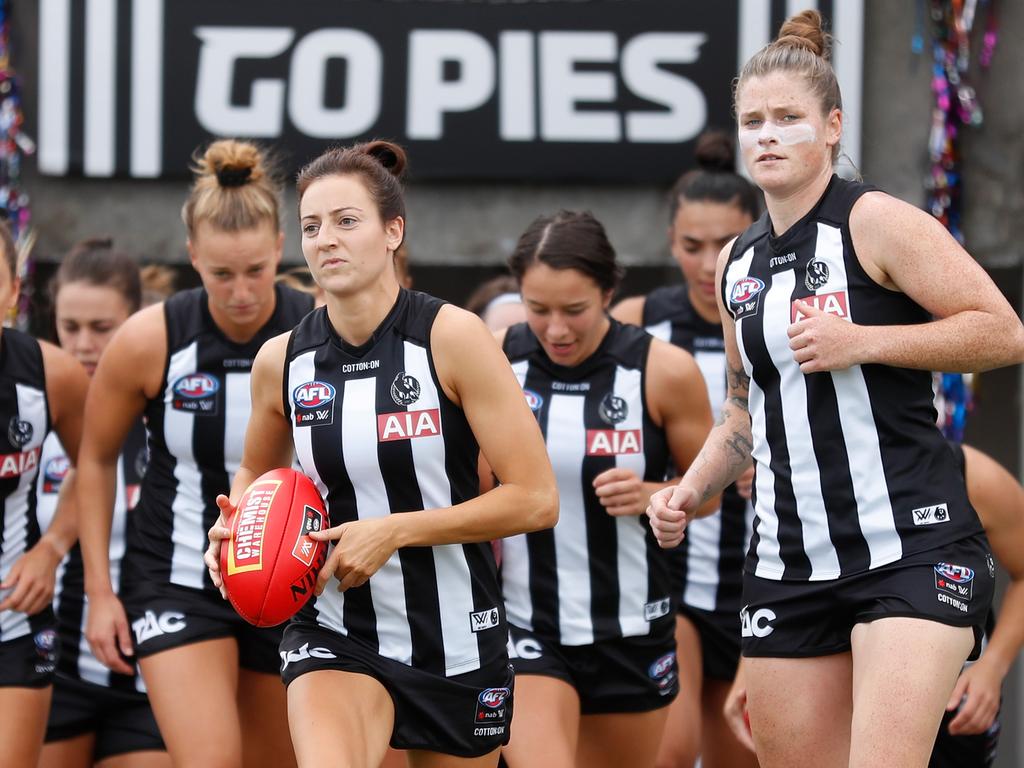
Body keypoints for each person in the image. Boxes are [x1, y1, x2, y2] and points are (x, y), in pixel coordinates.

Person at [647, 10, 1024, 768]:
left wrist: (867, 342)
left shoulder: (876, 221)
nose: (768, 135)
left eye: (788, 118)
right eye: (753, 121)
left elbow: (1003, 330)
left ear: (831, 127)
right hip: (789, 563)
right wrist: (687, 492)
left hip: (909, 544)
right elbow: (741, 415)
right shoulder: (736, 266)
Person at [203, 140, 558, 768]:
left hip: (455, 634)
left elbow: (535, 499)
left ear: (393, 231)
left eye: (346, 222)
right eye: (311, 227)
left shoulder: (453, 337)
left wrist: (394, 531)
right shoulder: (281, 361)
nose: (325, 241)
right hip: (333, 628)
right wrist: (233, 533)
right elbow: (255, 474)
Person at [76, 140, 313, 768]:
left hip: (288, 576)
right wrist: (102, 592)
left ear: (281, 247)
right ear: (192, 258)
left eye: (256, 270)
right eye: (220, 274)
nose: (240, 292)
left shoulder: (319, 330)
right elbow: (95, 460)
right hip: (176, 575)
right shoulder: (150, 339)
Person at [496, 210, 715, 768]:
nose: (557, 329)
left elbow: (709, 489)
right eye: (538, 309)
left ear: (609, 292)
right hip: (527, 625)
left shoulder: (663, 371)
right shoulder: (496, 358)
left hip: (632, 626)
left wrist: (656, 495)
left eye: (575, 310)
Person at [724, 441, 1023, 768]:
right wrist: (748, 666)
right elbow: (779, 577)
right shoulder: (802, 481)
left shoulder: (967, 472)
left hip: (954, 692)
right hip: (836, 677)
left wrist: (992, 667)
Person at [612, 131, 761, 768]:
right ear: (671, 243)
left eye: (724, 247)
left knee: (744, 754)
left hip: (770, 575)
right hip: (673, 574)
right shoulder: (640, 321)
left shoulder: (788, 315)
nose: (708, 266)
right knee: (671, 751)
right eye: (692, 247)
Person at [36, 238, 169, 768]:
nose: (85, 344)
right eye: (70, 328)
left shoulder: (172, 424)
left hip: (150, 676)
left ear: (133, 322)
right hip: (50, 669)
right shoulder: (30, 417)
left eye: (101, 328)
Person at [0, 219, 91, 767]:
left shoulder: (50, 374)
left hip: (13, 621)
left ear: (13, 290)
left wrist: (52, 548)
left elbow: (94, 468)